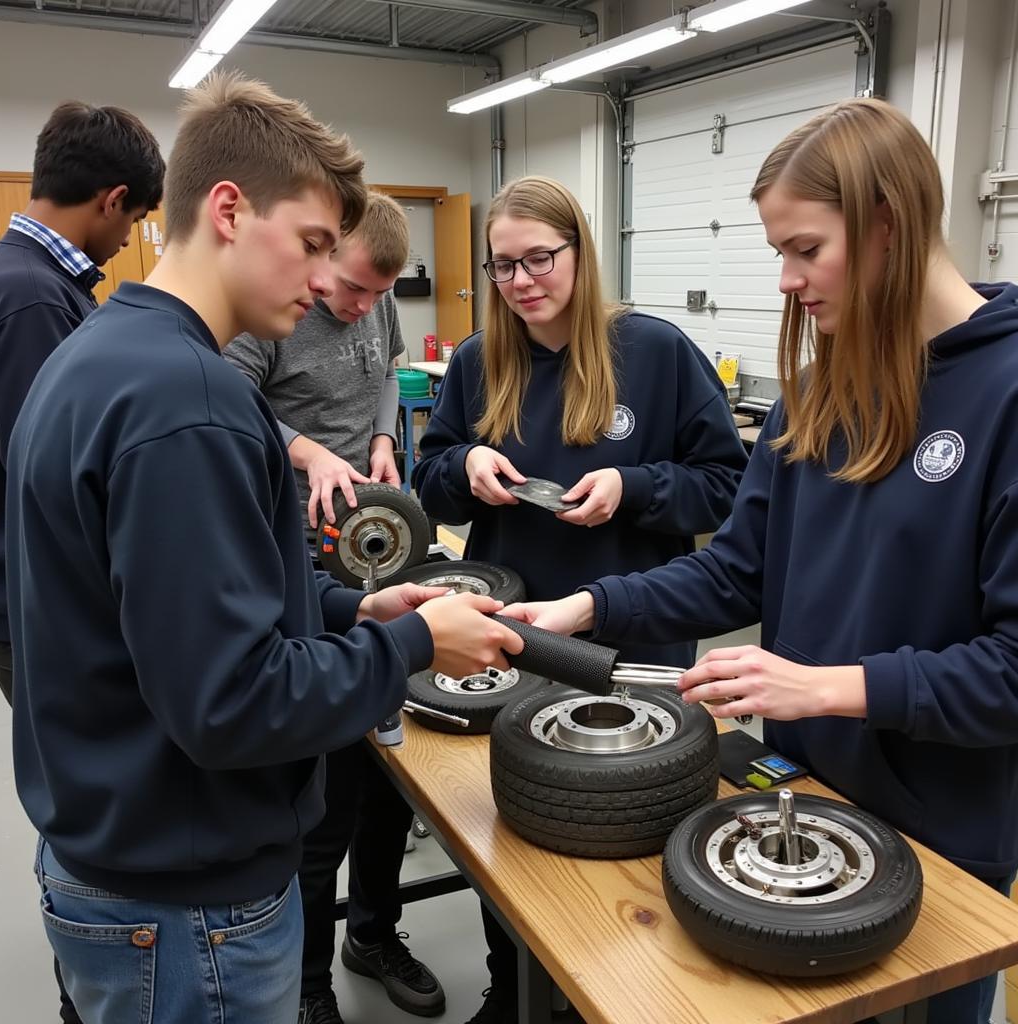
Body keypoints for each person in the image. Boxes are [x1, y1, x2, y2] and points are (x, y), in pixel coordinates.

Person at [6, 72, 522, 1024]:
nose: (325, 279)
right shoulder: (188, 402)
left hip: (113, 863)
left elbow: (173, 617)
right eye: (315, 244)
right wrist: (410, 648)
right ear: (231, 211)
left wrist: (353, 608)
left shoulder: (101, 352)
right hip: (188, 904)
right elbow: (232, 705)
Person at [501, 99, 1018, 1024]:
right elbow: (734, 572)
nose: (785, 280)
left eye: (806, 249)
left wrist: (827, 687)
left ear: (888, 223)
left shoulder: (1007, 395)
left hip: (941, 850)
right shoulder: (819, 394)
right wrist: (586, 608)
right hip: (792, 811)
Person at [411, 174, 746, 1024]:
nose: (522, 283)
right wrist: (465, 469)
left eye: (539, 260)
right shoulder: (479, 361)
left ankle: (614, 998)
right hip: (509, 641)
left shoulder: (657, 352)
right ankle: (511, 987)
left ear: (579, 254)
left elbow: (725, 488)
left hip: (633, 638)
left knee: (630, 832)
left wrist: (631, 487)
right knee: (514, 829)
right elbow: (431, 479)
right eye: (502, 267)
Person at [224, 193, 444, 1023]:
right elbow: (226, 402)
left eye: (371, 295)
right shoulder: (268, 314)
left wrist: (385, 440)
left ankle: (373, 932)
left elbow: (386, 371)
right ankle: (310, 981)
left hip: (376, 528)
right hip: (295, 543)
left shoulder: (376, 291)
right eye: (347, 289)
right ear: (323, 255)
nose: (356, 307)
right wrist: (307, 449)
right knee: (326, 789)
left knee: (392, 777)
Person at [0, 99, 164, 1024]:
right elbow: (62, 477)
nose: (130, 237)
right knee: (93, 788)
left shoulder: (24, 279)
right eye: (135, 219)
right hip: (30, 602)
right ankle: (101, 982)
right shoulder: (30, 297)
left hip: (25, 592)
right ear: (109, 200)